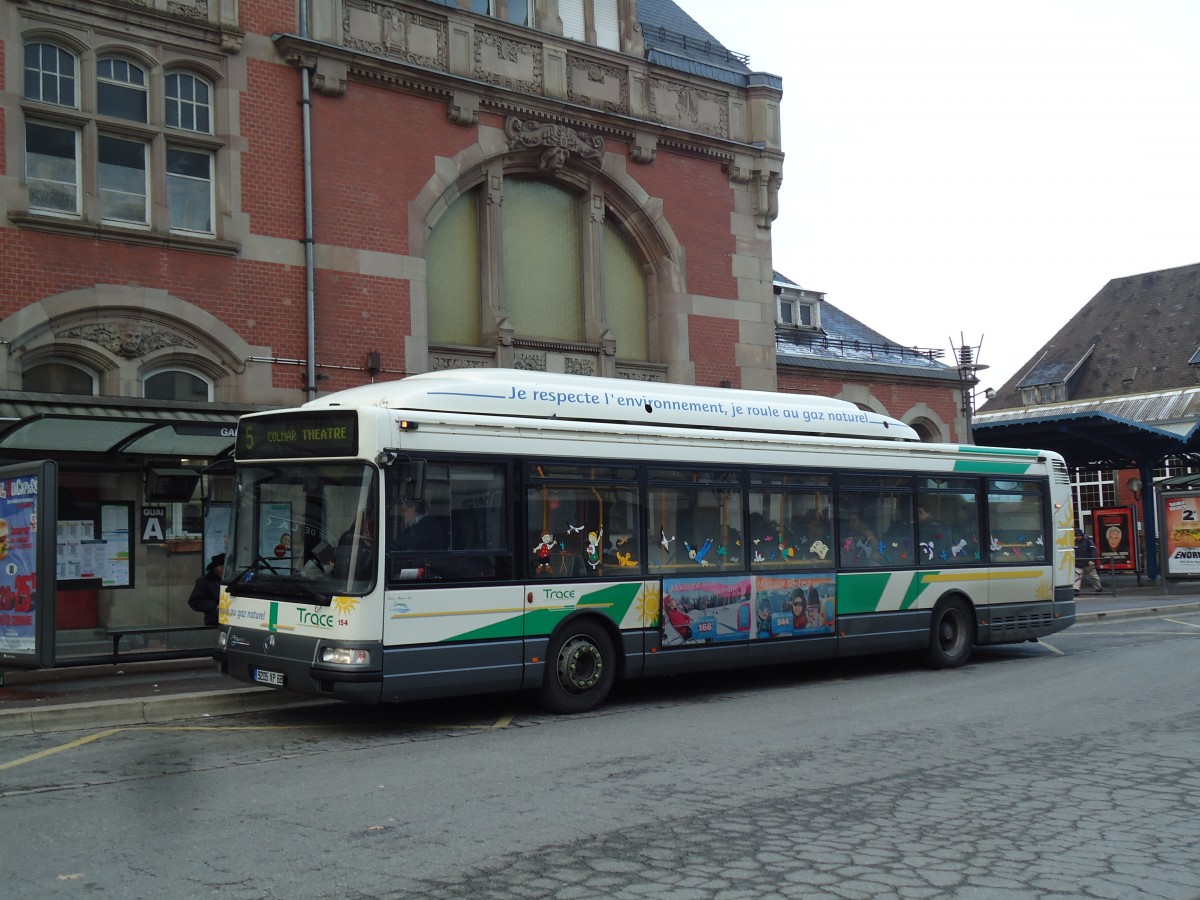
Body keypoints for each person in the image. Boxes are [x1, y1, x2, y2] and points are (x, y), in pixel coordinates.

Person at [188, 553, 224, 627]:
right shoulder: (205, 581)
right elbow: (195, 601)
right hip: (214, 621)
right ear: (219, 568)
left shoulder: (232, 579)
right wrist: (214, 605)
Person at [1075, 529, 1103, 593]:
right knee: (1077, 576)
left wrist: (1092, 560)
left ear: (1082, 535)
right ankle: (1076, 590)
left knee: (1093, 576)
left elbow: (1093, 551)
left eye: (1079, 536)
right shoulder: (1078, 541)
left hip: (1088, 563)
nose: (1078, 537)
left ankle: (1098, 588)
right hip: (1079, 563)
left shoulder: (1088, 541)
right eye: (1077, 536)